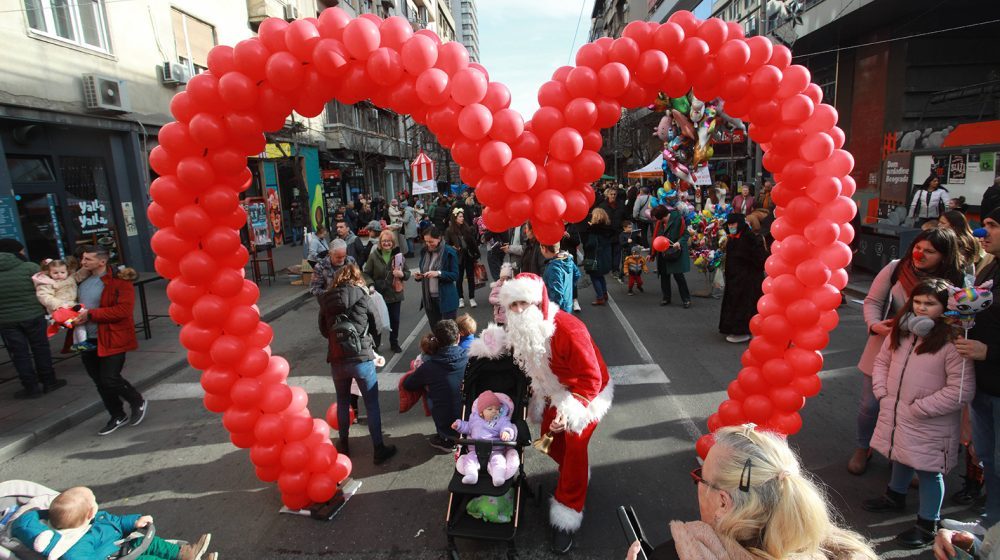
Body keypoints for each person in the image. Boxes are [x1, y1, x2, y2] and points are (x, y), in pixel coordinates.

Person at [626, 425, 878, 560]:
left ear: (723, 502)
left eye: (699, 478)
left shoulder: (678, 552)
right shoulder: (843, 551)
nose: (698, 484)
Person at [498, 273, 613, 553]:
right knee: (550, 442)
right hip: (553, 390)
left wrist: (571, 409)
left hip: (586, 392)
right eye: (512, 305)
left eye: (523, 303)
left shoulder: (569, 329)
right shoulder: (520, 328)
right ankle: (573, 472)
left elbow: (591, 378)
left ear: (538, 302)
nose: (517, 311)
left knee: (574, 447)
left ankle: (568, 511)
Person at [859, 277, 973, 547]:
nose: (922, 308)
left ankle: (928, 523)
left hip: (929, 419)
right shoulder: (903, 330)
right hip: (898, 409)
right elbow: (882, 363)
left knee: (928, 470)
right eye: (918, 302)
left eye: (930, 304)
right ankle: (894, 495)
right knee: (901, 453)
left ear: (945, 308)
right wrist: (883, 393)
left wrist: (920, 408)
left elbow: (960, 391)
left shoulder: (953, 342)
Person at [848, 227, 963, 475]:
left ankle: (905, 460)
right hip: (888, 344)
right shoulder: (896, 267)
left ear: (944, 256)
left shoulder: (955, 281)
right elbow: (873, 301)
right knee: (870, 405)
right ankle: (863, 446)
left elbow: (960, 318)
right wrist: (874, 324)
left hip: (929, 355)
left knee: (912, 409)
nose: (919, 255)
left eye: (929, 251)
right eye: (917, 248)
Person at [947, 208, 1000, 536]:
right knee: (989, 459)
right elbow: (975, 305)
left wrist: (989, 351)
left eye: (993, 226)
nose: (984, 232)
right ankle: (991, 523)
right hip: (984, 384)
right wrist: (956, 318)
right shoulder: (991, 265)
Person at [318, 264, 396, 464]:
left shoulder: (326, 299)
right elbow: (377, 324)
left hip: (337, 358)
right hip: (361, 357)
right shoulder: (362, 295)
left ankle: (343, 444)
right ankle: (378, 448)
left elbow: (324, 330)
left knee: (343, 402)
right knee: (371, 404)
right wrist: (371, 345)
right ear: (357, 277)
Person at [10, 486, 217, 560]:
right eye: (94, 499)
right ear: (90, 512)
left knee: (152, 543)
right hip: (117, 557)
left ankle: (186, 553)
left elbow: (116, 522)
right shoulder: (72, 546)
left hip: (125, 546)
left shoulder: (97, 521)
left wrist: (135, 521)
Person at [75, 245, 145, 436]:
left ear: (102, 261)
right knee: (99, 381)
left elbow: (123, 311)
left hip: (112, 337)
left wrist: (91, 314)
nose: (83, 262)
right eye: (83, 258)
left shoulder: (120, 282)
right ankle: (117, 414)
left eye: (88, 259)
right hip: (84, 338)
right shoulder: (82, 281)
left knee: (110, 378)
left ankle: (136, 400)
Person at [0, 238, 65, 399]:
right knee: (40, 348)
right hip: (33, 316)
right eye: (21, 250)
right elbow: (46, 288)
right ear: (15, 252)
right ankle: (49, 381)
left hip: (6, 320)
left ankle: (30, 387)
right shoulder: (30, 268)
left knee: (19, 354)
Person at [401, 319, 468, 452]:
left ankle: (446, 438)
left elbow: (408, 384)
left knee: (429, 391)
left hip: (447, 423)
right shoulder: (470, 358)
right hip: (472, 418)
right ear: (459, 337)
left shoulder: (429, 367)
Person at [452, 390, 518, 487]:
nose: (494, 411)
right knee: (469, 459)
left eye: (497, 409)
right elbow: (468, 427)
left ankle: (498, 477)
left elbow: (507, 426)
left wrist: (506, 432)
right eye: (490, 409)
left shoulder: (502, 420)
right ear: (481, 412)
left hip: (495, 450)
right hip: (475, 450)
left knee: (499, 461)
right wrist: (459, 425)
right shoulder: (474, 419)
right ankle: (471, 475)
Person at [718, 214, 767, 343]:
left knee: (745, 304)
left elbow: (760, 258)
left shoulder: (750, 238)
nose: (731, 227)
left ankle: (743, 330)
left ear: (739, 223)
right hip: (735, 278)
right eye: (729, 225)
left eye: (733, 224)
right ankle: (735, 328)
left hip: (747, 280)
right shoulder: (733, 238)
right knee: (735, 302)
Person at [362, 230, 409, 354]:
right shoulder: (373, 256)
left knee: (395, 320)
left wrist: (402, 274)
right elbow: (366, 273)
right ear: (380, 243)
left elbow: (408, 273)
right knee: (377, 321)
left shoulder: (399, 256)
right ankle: (376, 345)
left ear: (393, 242)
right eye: (384, 241)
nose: (386, 243)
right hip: (378, 294)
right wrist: (370, 285)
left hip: (395, 293)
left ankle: (394, 343)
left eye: (389, 241)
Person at [31, 258, 92, 352]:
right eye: (55, 273)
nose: (59, 275)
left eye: (62, 272)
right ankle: (81, 343)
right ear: (49, 272)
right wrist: (60, 305)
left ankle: (77, 344)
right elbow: (44, 297)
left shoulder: (70, 278)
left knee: (77, 324)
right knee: (80, 322)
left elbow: (80, 275)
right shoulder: (46, 283)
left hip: (72, 307)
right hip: (61, 310)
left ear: (67, 271)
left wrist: (87, 267)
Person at [650, 202, 692, 308]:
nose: (657, 222)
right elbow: (656, 238)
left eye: (659, 219)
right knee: (664, 276)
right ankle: (666, 298)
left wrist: (679, 242)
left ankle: (686, 299)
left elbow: (686, 234)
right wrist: (652, 254)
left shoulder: (678, 219)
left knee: (679, 276)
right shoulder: (660, 222)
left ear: (664, 216)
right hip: (663, 253)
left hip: (675, 252)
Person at [415, 227, 460, 326]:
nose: (428, 244)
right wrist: (420, 276)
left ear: (439, 238)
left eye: (431, 241)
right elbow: (423, 269)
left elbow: (455, 275)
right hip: (429, 300)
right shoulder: (424, 251)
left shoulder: (449, 252)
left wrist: (438, 273)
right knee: (436, 331)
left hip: (446, 299)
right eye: (426, 241)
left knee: (449, 332)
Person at [445, 208, 481, 309]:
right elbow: (446, 245)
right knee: (459, 279)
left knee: (470, 278)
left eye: (462, 216)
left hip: (468, 256)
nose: (462, 218)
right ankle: (460, 298)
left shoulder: (467, 228)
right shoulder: (449, 230)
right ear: (455, 218)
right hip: (457, 257)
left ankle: (471, 297)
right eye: (460, 216)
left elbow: (473, 242)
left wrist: (476, 254)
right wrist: (453, 247)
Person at [940, 210, 990, 275]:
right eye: (939, 222)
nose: (939, 225)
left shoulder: (959, 242)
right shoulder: (971, 236)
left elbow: (957, 265)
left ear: (954, 226)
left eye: (943, 223)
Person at [583, 208, 615, 306]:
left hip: (595, 257)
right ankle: (604, 293)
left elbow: (590, 244)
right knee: (600, 276)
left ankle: (600, 297)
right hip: (605, 256)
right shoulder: (608, 229)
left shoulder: (594, 230)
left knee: (594, 277)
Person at [540, 242, 580, 313]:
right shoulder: (568, 259)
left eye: (541, 248)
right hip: (568, 304)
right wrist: (568, 288)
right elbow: (576, 275)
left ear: (544, 249)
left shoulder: (553, 268)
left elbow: (556, 295)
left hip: (558, 311)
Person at [598, 188, 628, 278]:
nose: (613, 196)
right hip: (606, 233)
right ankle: (609, 267)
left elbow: (625, 217)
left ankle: (615, 269)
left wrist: (626, 227)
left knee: (617, 252)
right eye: (611, 194)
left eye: (615, 194)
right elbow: (599, 219)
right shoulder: (602, 206)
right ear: (608, 195)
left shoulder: (621, 205)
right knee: (608, 252)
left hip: (618, 232)